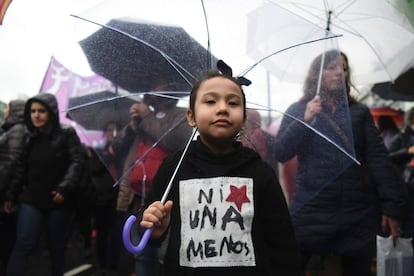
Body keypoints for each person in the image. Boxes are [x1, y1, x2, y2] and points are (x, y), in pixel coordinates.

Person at [139, 71, 301, 276]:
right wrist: (154, 230)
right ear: (191, 117)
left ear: (243, 120)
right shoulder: (174, 167)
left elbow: (282, 244)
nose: (223, 108)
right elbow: (149, 227)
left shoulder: (260, 173)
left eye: (233, 103)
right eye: (210, 101)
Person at [274, 50, 406, 276]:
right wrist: (304, 120)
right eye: (332, 67)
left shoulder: (359, 112)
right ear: (317, 74)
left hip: (357, 210)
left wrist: (392, 208)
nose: (339, 73)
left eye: (343, 68)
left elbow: (378, 160)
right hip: (312, 207)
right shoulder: (298, 109)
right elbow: (281, 152)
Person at [3, 93, 84, 276]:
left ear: (52, 112)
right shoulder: (29, 137)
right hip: (31, 199)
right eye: (32, 111)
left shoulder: (66, 134)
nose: (36, 115)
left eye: (41, 111)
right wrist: (11, 195)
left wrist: (64, 188)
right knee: (23, 243)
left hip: (57, 200)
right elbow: (22, 169)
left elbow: (76, 162)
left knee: (56, 246)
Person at [89, 121, 123, 275]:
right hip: (101, 198)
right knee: (102, 233)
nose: (112, 133)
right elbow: (93, 169)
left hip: (117, 198)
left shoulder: (123, 148)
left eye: (115, 130)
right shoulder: (99, 150)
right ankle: (102, 266)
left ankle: (114, 266)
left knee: (116, 233)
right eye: (109, 130)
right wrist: (109, 155)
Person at [0, 99, 26, 276]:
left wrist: (7, 195)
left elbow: (12, 162)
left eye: (8, 107)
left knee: (5, 239)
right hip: (6, 192)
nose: (5, 110)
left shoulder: (17, 130)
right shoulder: (12, 129)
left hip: (4, 194)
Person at [387, 107, 414, 257]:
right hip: (406, 189)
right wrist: (407, 152)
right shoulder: (401, 137)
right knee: (409, 226)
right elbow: (387, 157)